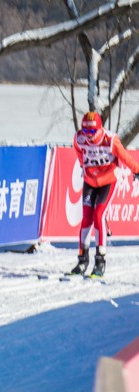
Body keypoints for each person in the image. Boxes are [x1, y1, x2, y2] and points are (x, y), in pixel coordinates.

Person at [69, 111, 139, 277]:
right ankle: (82, 260)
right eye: (86, 132)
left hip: (108, 182)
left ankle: (100, 261)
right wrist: (84, 166)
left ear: (100, 129)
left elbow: (125, 157)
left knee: (99, 215)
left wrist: (137, 170)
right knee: (86, 218)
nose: (89, 136)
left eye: (92, 132)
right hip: (90, 181)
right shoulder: (79, 138)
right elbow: (79, 154)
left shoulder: (110, 140)